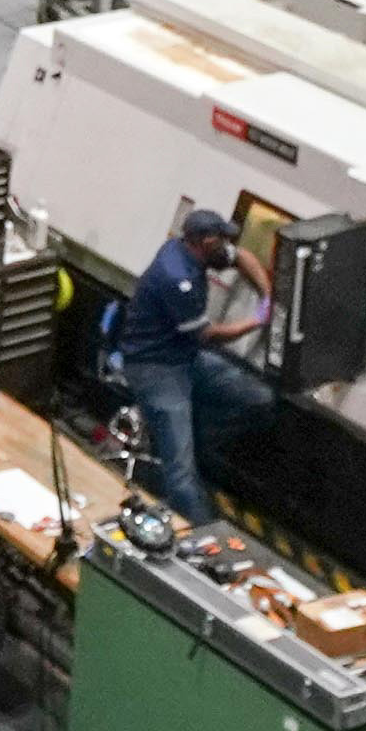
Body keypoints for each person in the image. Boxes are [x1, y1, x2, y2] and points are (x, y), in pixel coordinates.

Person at [115, 204, 246, 509]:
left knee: (258, 399)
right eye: (223, 239)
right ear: (207, 242)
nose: (227, 245)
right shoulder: (175, 277)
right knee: (182, 476)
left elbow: (243, 258)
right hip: (154, 367)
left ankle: (190, 443)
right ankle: (201, 528)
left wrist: (267, 296)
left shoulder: (187, 248)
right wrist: (256, 321)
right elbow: (207, 335)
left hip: (183, 356)